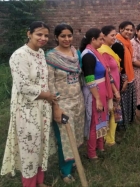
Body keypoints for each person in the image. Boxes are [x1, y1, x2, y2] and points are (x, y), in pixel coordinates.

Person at [1, 21, 57, 187]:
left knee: (40, 143)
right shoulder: (19, 55)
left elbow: (43, 79)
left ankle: (39, 181)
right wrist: (47, 95)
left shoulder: (40, 53)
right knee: (29, 147)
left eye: (46, 35)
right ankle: (29, 184)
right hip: (26, 108)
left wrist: (48, 98)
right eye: (39, 34)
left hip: (42, 107)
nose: (43, 38)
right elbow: (23, 86)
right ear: (29, 34)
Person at [45, 23, 84, 183]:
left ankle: (74, 160)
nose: (67, 39)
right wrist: (56, 107)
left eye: (69, 35)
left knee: (77, 133)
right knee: (65, 137)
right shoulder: (51, 57)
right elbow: (50, 82)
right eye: (63, 36)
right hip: (62, 103)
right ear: (56, 37)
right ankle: (65, 170)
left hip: (78, 100)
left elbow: (80, 76)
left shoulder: (77, 53)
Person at [80, 28, 113, 160]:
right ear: (92, 39)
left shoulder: (95, 53)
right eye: (100, 39)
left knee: (102, 119)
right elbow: (89, 78)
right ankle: (92, 153)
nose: (102, 41)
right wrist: (97, 98)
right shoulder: (88, 55)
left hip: (101, 90)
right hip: (94, 93)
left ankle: (100, 146)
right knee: (94, 122)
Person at [98, 25, 121, 146]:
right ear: (104, 36)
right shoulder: (103, 51)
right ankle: (108, 140)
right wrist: (115, 90)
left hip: (115, 87)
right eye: (112, 35)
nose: (114, 37)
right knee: (110, 113)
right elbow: (107, 73)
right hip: (110, 88)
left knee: (114, 113)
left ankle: (111, 138)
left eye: (115, 35)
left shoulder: (109, 49)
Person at [111, 21, 136, 127]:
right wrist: (124, 79)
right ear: (121, 29)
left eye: (131, 30)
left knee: (127, 101)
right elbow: (119, 64)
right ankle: (121, 126)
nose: (129, 32)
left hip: (129, 75)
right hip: (122, 78)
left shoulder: (127, 42)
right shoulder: (117, 43)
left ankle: (128, 122)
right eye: (127, 29)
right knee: (122, 102)